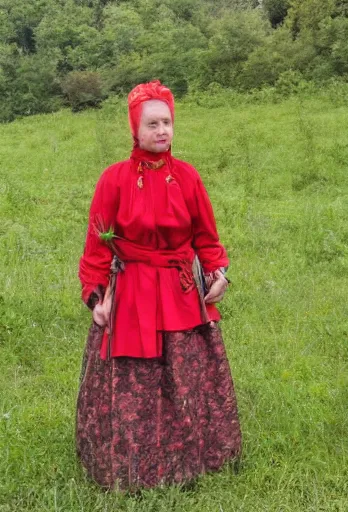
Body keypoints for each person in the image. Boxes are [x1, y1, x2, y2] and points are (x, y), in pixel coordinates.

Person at [76, 81, 241, 490]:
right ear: (135, 128)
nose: (161, 131)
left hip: (181, 290)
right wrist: (96, 294)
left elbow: (206, 236)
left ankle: (194, 459)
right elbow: (98, 244)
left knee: (185, 374)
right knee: (136, 377)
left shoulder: (187, 177)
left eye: (167, 122)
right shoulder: (113, 180)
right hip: (131, 291)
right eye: (152, 124)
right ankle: (132, 469)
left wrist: (218, 273)